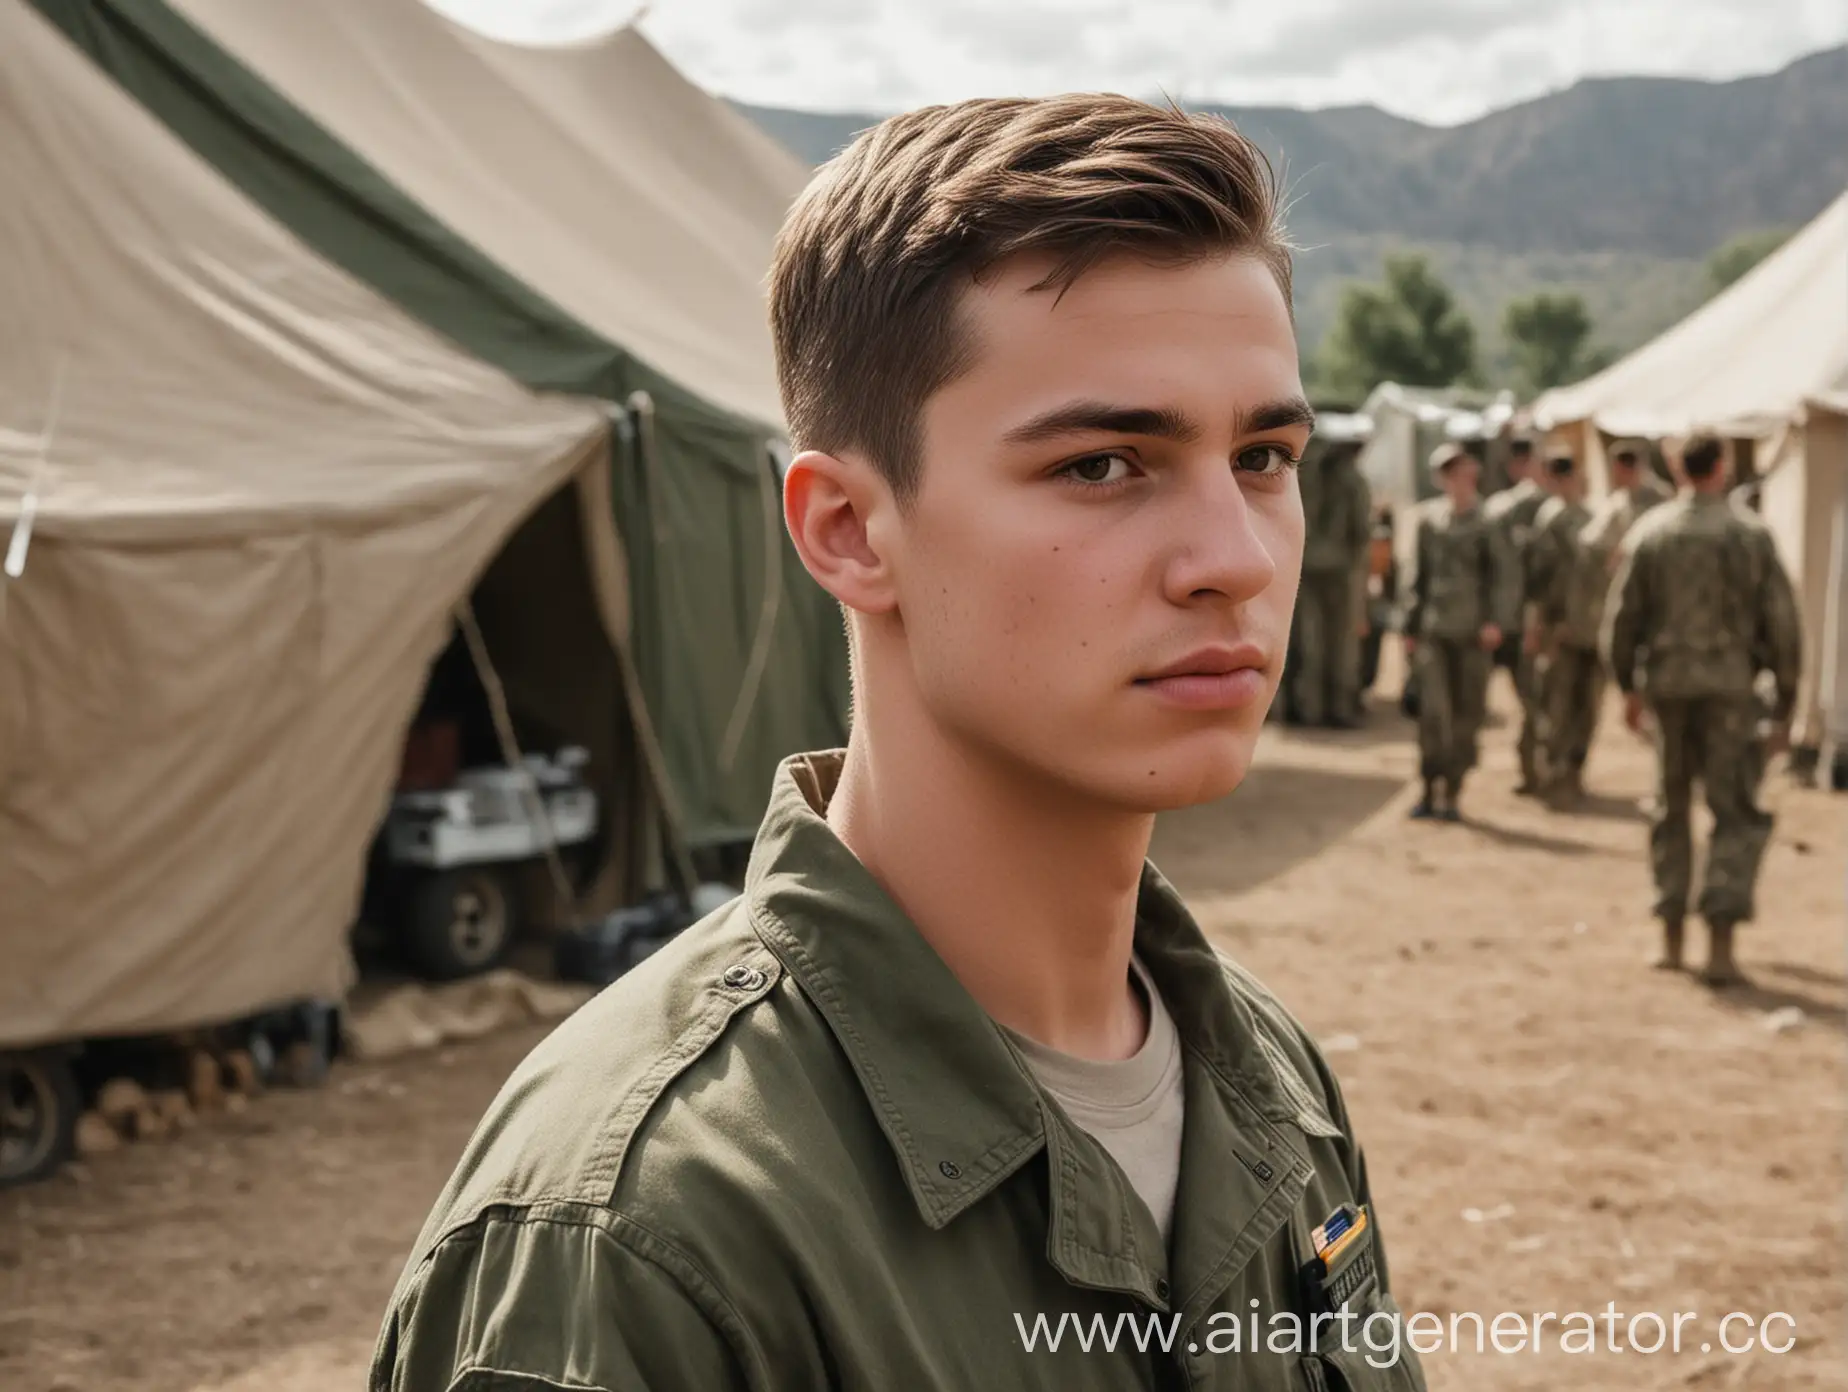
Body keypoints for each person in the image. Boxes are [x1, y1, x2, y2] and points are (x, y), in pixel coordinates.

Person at [370, 96, 1424, 1391]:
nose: (1238, 558)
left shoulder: (1266, 1083)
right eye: (1104, 465)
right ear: (849, 532)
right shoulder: (641, 1232)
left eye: (1264, 455)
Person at [1603, 434, 1802, 987]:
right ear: (1723, 466)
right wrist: (1786, 703)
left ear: (1676, 466)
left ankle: (1670, 935)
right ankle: (1719, 941)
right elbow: (1783, 625)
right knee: (1733, 808)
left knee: (1670, 806)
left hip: (1668, 689)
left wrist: (1627, 685)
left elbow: (1621, 619)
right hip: (1731, 693)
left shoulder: (1653, 532)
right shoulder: (1751, 534)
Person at [1402, 443, 1520, 821]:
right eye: (1448, 471)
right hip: (1435, 631)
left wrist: (1496, 622)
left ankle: (1453, 791)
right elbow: (1416, 577)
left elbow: (1504, 577)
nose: (1456, 478)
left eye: (1461, 470)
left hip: (1471, 634)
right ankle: (1428, 787)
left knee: (1466, 716)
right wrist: (1410, 625)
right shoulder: (1429, 520)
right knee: (1433, 715)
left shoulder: (1489, 521)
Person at [1524, 454, 1599, 802]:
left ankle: (1569, 770)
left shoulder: (1590, 518)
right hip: (1564, 629)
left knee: (1583, 704)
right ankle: (1553, 771)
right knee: (1557, 701)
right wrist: (1539, 627)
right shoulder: (1553, 520)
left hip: (1587, 629)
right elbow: (1540, 581)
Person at [1290, 438, 1373, 727]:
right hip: (1341, 570)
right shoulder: (1352, 478)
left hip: (1305, 568)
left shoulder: (1298, 473)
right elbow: (1362, 531)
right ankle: (1339, 708)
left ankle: (1309, 707)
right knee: (1341, 642)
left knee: (1309, 640)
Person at [1482, 437, 1549, 792]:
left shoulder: (1496, 509)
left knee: (1535, 700)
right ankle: (1534, 772)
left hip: (1508, 621)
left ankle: (1534, 771)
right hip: (1521, 623)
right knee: (1536, 700)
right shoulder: (1520, 509)